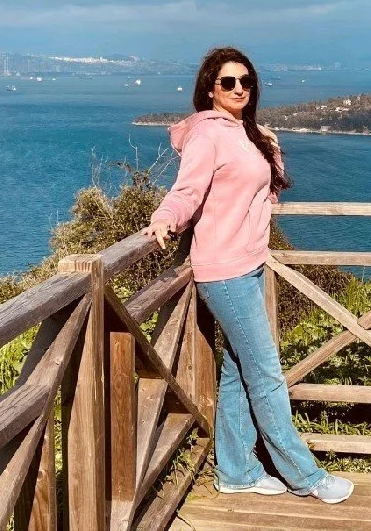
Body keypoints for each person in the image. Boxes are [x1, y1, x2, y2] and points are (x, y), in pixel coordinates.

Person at [141, 46, 354, 504]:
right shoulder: (207, 136)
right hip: (223, 271)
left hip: (250, 263)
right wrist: (166, 217)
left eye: (246, 81)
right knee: (267, 374)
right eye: (228, 82)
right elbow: (187, 189)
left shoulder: (243, 131)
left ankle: (236, 471)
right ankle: (305, 475)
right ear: (210, 89)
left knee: (239, 370)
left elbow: (270, 187)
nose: (239, 88)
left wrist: (270, 144)